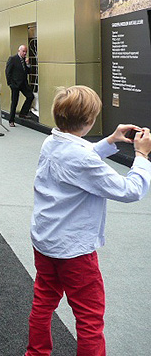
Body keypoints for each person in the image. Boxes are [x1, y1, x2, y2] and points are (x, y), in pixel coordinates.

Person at [26, 85, 151, 356]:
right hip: (75, 251)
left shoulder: (52, 141)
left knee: (43, 302)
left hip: (45, 241)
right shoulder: (80, 157)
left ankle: (35, 353)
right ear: (89, 120)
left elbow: (80, 158)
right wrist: (141, 156)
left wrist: (111, 141)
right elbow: (131, 191)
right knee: (89, 320)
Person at [5, 44, 35, 127]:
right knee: (14, 102)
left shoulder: (24, 60)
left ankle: (23, 113)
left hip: (23, 83)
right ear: (19, 51)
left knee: (30, 96)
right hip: (15, 84)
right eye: (23, 51)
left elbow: (28, 71)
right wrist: (10, 83)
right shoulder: (13, 59)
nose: (25, 53)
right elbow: (8, 72)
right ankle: (11, 120)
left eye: (26, 52)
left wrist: (28, 65)